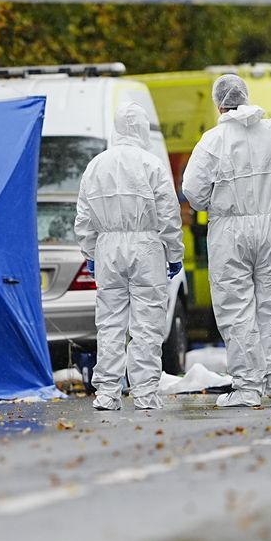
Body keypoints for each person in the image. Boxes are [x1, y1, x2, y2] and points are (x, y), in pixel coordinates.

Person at [182, 74, 271, 408]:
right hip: (270, 231)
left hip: (230, 231)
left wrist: (214, 202)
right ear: (246, 97)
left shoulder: (212, 141)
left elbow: (192, 191)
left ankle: (248, 388)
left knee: (237, 310)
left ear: (218, 103)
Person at [75, 103, 184, 411]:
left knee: (109, 323)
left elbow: (83, 217)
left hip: (108, 249)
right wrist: (173, 252)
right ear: (141, 129)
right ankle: (146, 394)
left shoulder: (96, 165)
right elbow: (168, 214)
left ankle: (107, 393)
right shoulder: (152, 165)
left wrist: (91, 252)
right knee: (147, 323)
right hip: (146, 247)